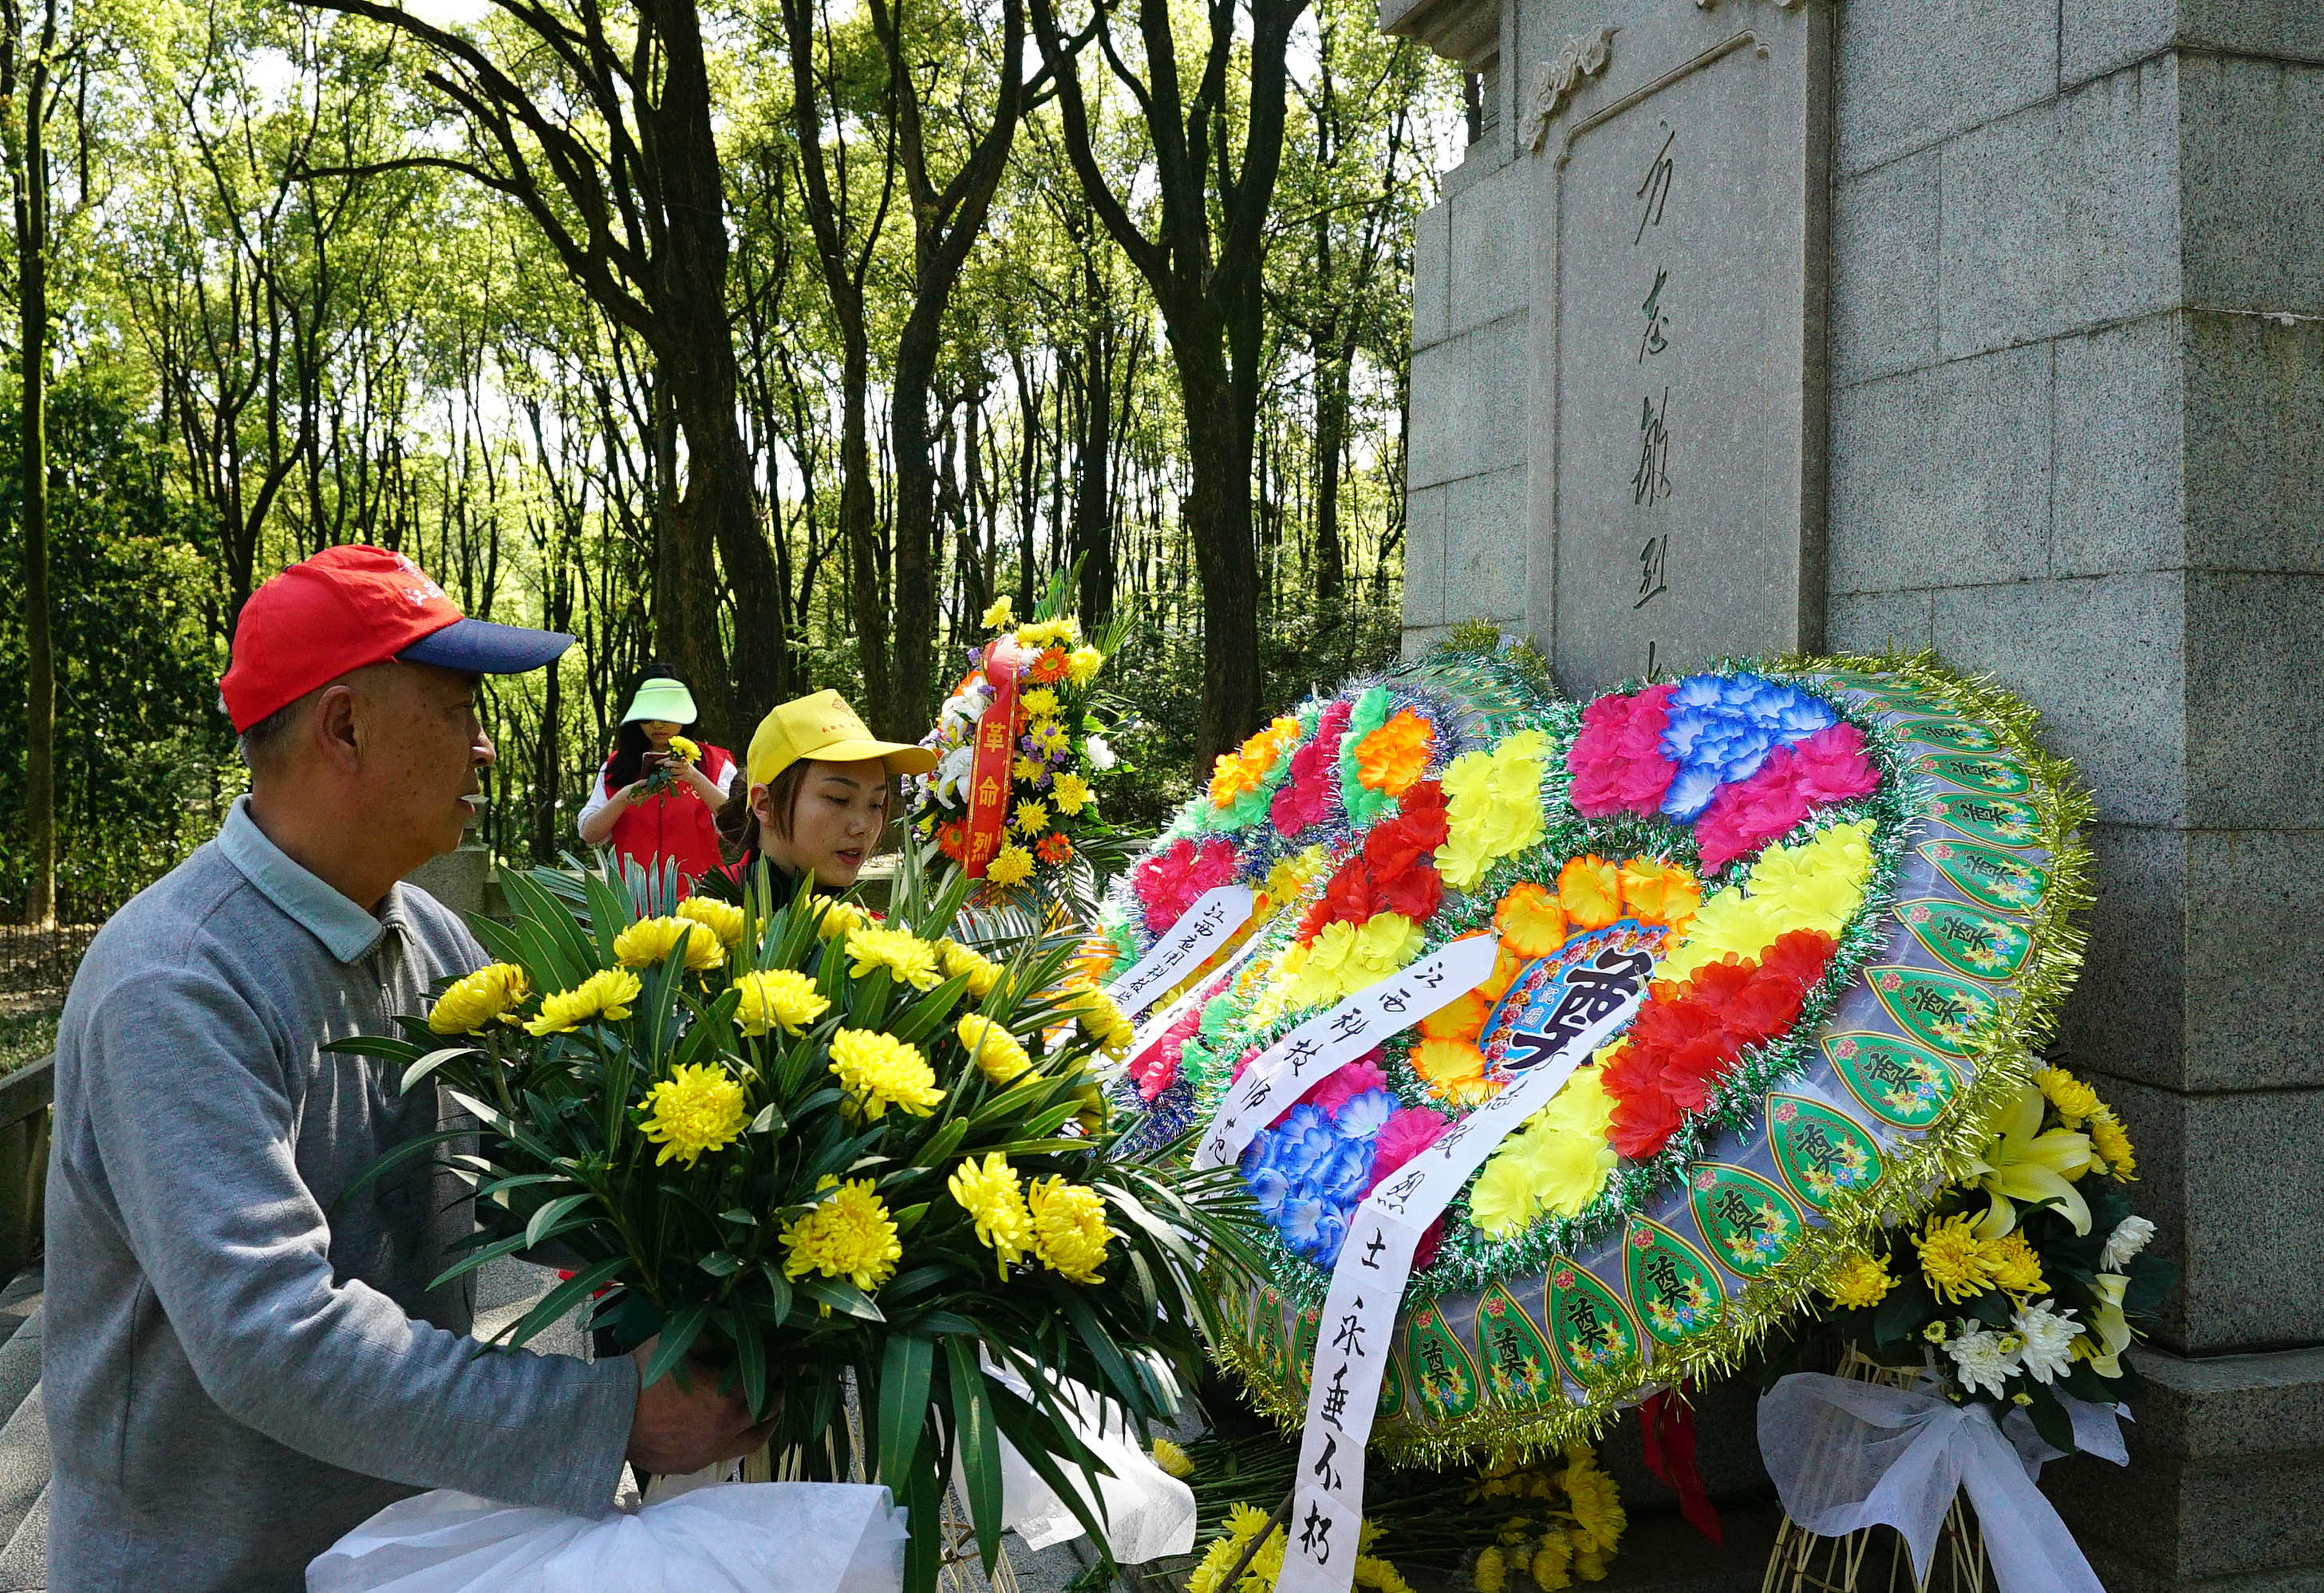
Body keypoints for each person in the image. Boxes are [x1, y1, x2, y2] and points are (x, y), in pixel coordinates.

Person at [44, 546, 771, 1592]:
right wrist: (613, 1416)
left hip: (403, 1551)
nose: (484, 749)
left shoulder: (430, 939)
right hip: (197, 1566)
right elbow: (271, 1336)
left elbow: (559, 1162)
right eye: (460, 707)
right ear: (344, 726)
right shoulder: (175, 981)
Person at [712, 689, 937, 898]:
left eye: (876, 804)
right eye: (839, 799)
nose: (864, 827)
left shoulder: (875, 934)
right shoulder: (695, 930)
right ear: (765, 804)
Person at [574, 668, 736, 890]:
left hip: (698, 897)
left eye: (667, 714)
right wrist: (622, 799)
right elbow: (588, 833)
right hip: (632, 900)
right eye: (648, 717)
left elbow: (736, 823)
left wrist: (695, 778)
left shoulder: (715, 763)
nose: (658, 725)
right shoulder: (615, 767)